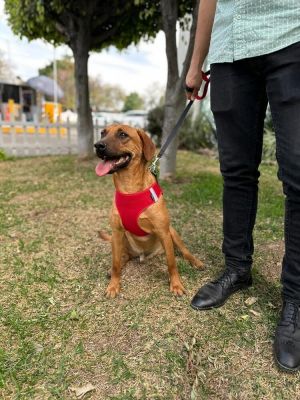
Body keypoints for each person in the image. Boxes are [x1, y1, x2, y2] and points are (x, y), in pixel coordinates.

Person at [185, 0, 300, 372]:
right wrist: (195, 63)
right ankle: (237, 268)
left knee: (299, 174)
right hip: (229, 47)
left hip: (291, 33)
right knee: (235, 172)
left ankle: (295, 299)